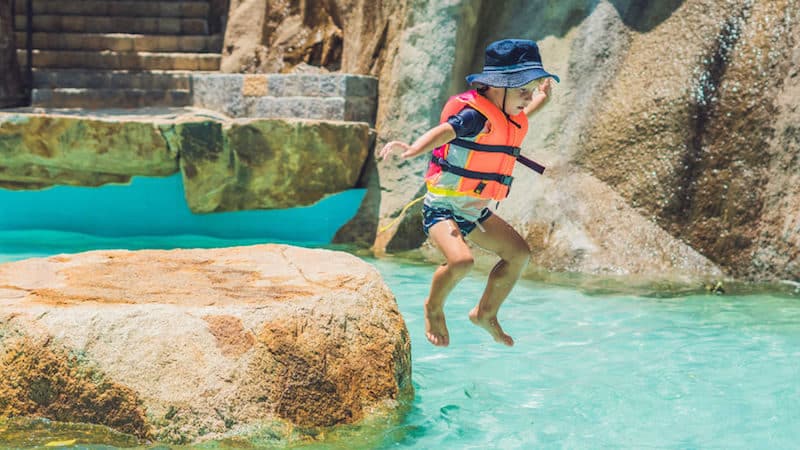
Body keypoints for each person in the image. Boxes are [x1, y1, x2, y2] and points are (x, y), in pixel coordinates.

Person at [378, 39, 559, 347]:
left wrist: (542, 98)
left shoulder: (509, 113)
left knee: (519, 254)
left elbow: (523, 114)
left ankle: (485, 313)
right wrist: (414, 148)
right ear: (495, 87)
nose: (527, 98)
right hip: (442, 209)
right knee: (462, 262)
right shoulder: (474, 116)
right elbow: (445, 131)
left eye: (530, 90)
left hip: (475, 211)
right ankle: (433, 307)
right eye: (522, 91)